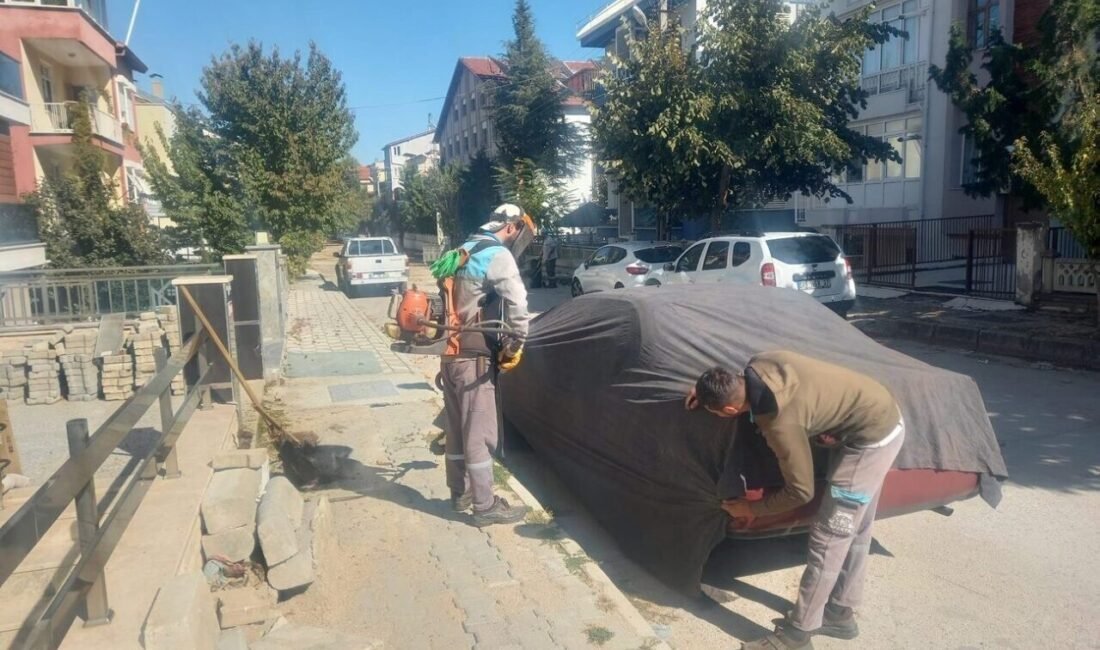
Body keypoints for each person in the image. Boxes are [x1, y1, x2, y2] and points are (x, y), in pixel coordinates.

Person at [685, 350, 905, 650]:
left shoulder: (779, 423)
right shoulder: (760, 362)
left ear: (727, 409)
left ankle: (797, 635)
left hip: (870, 441)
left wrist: (751, 508)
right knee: (856, 526)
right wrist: (704, 390)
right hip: (876, 413)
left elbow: (801, 490)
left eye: (715, 412)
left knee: (831, 537)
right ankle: (839, 614)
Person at [442, 204, 533, 526]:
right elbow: (518, 306)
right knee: (479, 434)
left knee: (455, 429)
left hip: (450, 353)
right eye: (519, 234)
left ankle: (460, 492)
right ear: (512, 227)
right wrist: (516, 344)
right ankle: (484, 505)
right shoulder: (496, 255)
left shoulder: (463, 248)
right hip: (475, 358)